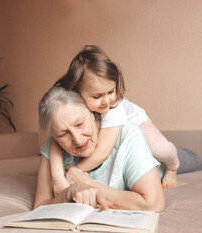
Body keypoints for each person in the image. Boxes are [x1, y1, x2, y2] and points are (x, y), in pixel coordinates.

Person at [48, 45, 182, 197]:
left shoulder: (114, 108)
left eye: (111, 91)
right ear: (78, 93)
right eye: (97, 97)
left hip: (138, 124)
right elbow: (55, 139)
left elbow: (103, 152)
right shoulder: (74, 103)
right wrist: (56, 176)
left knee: (162, 149)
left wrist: (74, 172)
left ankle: (173, 166)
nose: (106, 101)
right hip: (112, 130)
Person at [34, 86, 165, 212]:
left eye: (79, 124)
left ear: (92, 112)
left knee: (176, 156)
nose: (78, 140)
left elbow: (155, 204)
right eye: (63, 134)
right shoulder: (53, 146)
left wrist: (90, 185)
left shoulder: (129, 134)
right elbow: (39, 206)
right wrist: (68, 194)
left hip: (160, 157)